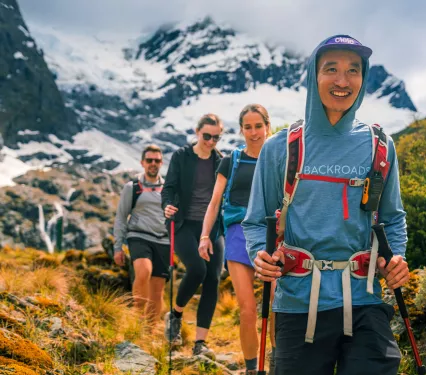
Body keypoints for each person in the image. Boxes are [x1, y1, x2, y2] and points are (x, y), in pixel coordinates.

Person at [242, 34, 410, 375]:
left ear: (363, 80)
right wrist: (260, 254)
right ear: (312, 76)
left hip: (365, 299)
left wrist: (397, 258)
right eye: (330, 69)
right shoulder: (281, 147)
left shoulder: (379, 145)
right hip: (298, 302)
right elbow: (257, 219)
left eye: (353, 70)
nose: (342, 81)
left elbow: (392, 218)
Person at [199, 104, 273, 375]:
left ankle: (278, 364)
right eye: (248, 127)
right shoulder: (231, 160)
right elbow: (215, 202)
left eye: (258, 126)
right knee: (247, 310)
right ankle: (252, 369)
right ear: (241, 129)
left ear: (267, 126)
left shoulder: (278, 158)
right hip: (238, 235)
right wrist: (205, 236)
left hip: (271, 236)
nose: (253, 132)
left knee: (276, 307)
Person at [161, 114, 225, 359]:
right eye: (206, 136)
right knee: (197, 270)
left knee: (213, 279)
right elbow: (169, 188)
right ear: (197, 132)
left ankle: (200, 342)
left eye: (216, 137)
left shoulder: (221, 161)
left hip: (212, 228)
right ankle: (175, 315)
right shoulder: (182, 156)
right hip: (184, 224)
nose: (210, 141)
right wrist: (167, 205)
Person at [113, 144, 169, 328]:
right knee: (144, 271)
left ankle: (149, 331)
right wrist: (117, 247)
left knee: (157, 290)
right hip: (139, 236)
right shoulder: (132, 187)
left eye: (157, 160)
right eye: (149, 160)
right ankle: (136, 321)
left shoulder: (169, 188)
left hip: (163, 240)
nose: (153, 164)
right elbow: (121, 217)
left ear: (161, 162)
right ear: (142, 163)